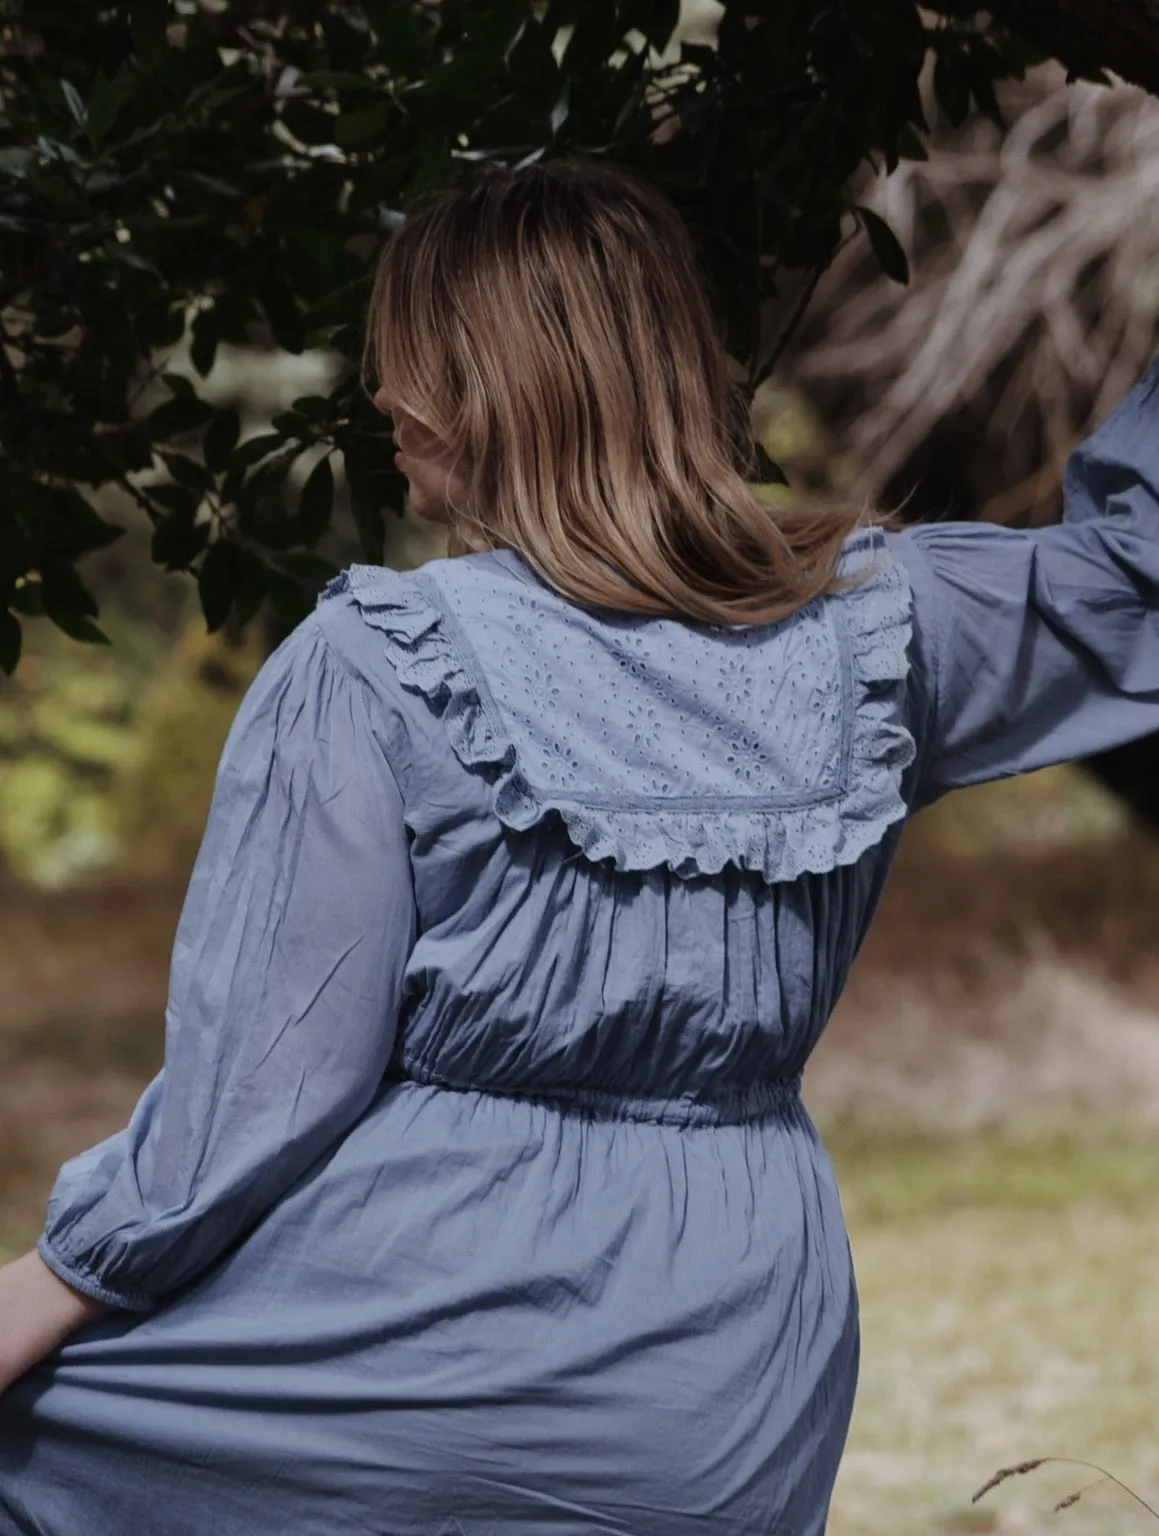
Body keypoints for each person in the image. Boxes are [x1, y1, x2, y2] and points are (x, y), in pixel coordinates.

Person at [0, 160, 1157, 1536]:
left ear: (488, 387)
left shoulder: (374, 665)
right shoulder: (886, 627)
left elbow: (255, 1098)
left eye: (405, 362)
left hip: (411, 1336)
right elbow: (1131, 583)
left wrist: (46, 1289)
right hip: (735, 1363)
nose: (378, 396)